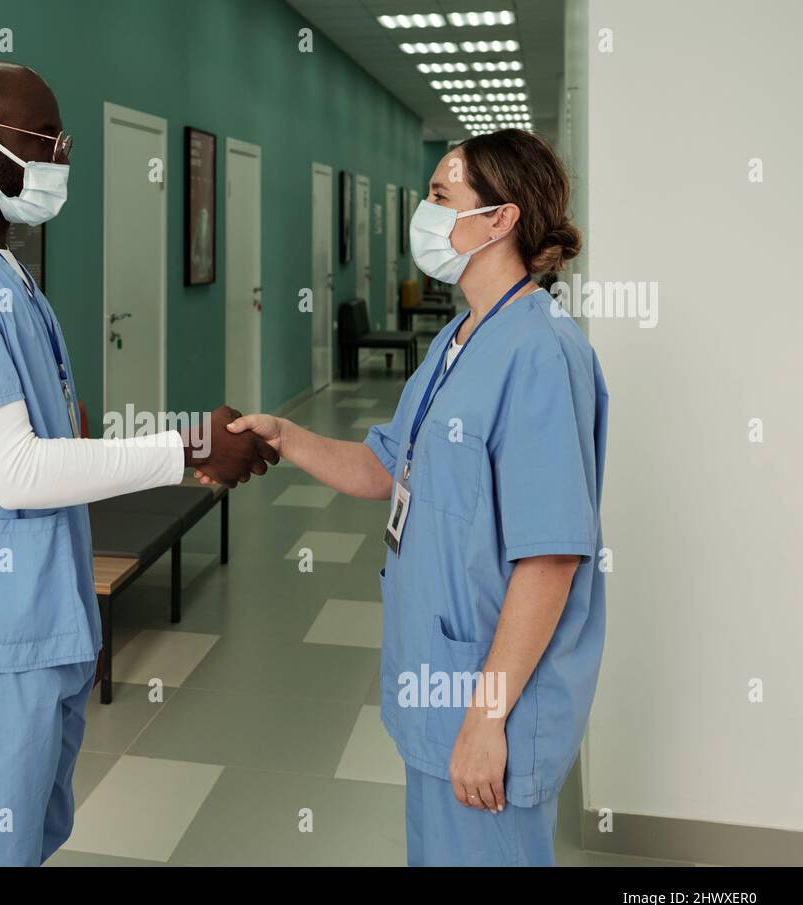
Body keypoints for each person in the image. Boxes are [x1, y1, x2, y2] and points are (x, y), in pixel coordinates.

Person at [0, 58, 276, 866]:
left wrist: (74, 614)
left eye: (64, 142)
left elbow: (56, 443)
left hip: (34, 629)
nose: (60, 158)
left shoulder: (8, 272)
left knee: (23, 845)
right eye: (45, 139)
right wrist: (191, 446)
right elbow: (16, 469)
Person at [221, 130, 608, 866]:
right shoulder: (459, 337)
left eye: (439, 196)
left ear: (501, 219)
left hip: (489, 694)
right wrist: (285, 436)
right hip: (441, 673)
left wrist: (486, 719)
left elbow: (551, 557)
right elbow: (389, 466)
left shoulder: (541, 354)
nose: (422, 214)